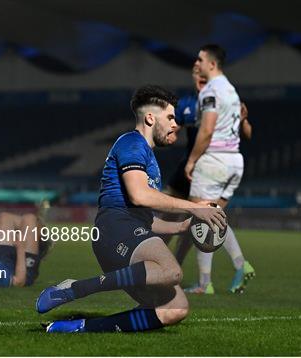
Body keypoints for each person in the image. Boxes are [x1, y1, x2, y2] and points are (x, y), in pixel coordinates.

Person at [35, 85, 226, 333]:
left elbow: (145, 219)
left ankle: (77, 327)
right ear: (150, 117)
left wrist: (182, 227)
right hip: (115, 228)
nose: (175, 124)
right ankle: (76, 288)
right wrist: (194, 207)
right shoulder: (132, 144)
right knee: (171, 271)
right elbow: (139, 196)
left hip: (127, 231)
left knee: (175, 308)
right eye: (170, 117)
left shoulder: (147, 156)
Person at [163, 66, 252, 272]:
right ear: (193, 77)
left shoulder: (223, 101)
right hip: (188, 168)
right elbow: (172, 128)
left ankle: (175, 266)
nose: (201, 77)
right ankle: (154, 258)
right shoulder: (186, 104)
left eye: (204, 74)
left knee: (196, 223)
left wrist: (244, 119)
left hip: (210, 168)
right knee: (166, 214)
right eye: (196, 73)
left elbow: (247, 133)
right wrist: (170, 134)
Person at [184, 44, 255, 294]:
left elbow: (207, 129)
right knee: (215, 219)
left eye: (200, 59)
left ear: (211, 64)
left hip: (214, 160)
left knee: (199, 218)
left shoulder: (212, 91)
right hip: (235, 161)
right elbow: (246, 130)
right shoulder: (231, 91)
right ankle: (237, 267)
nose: (198, 62)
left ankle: (207, 282)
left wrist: (192, 160)